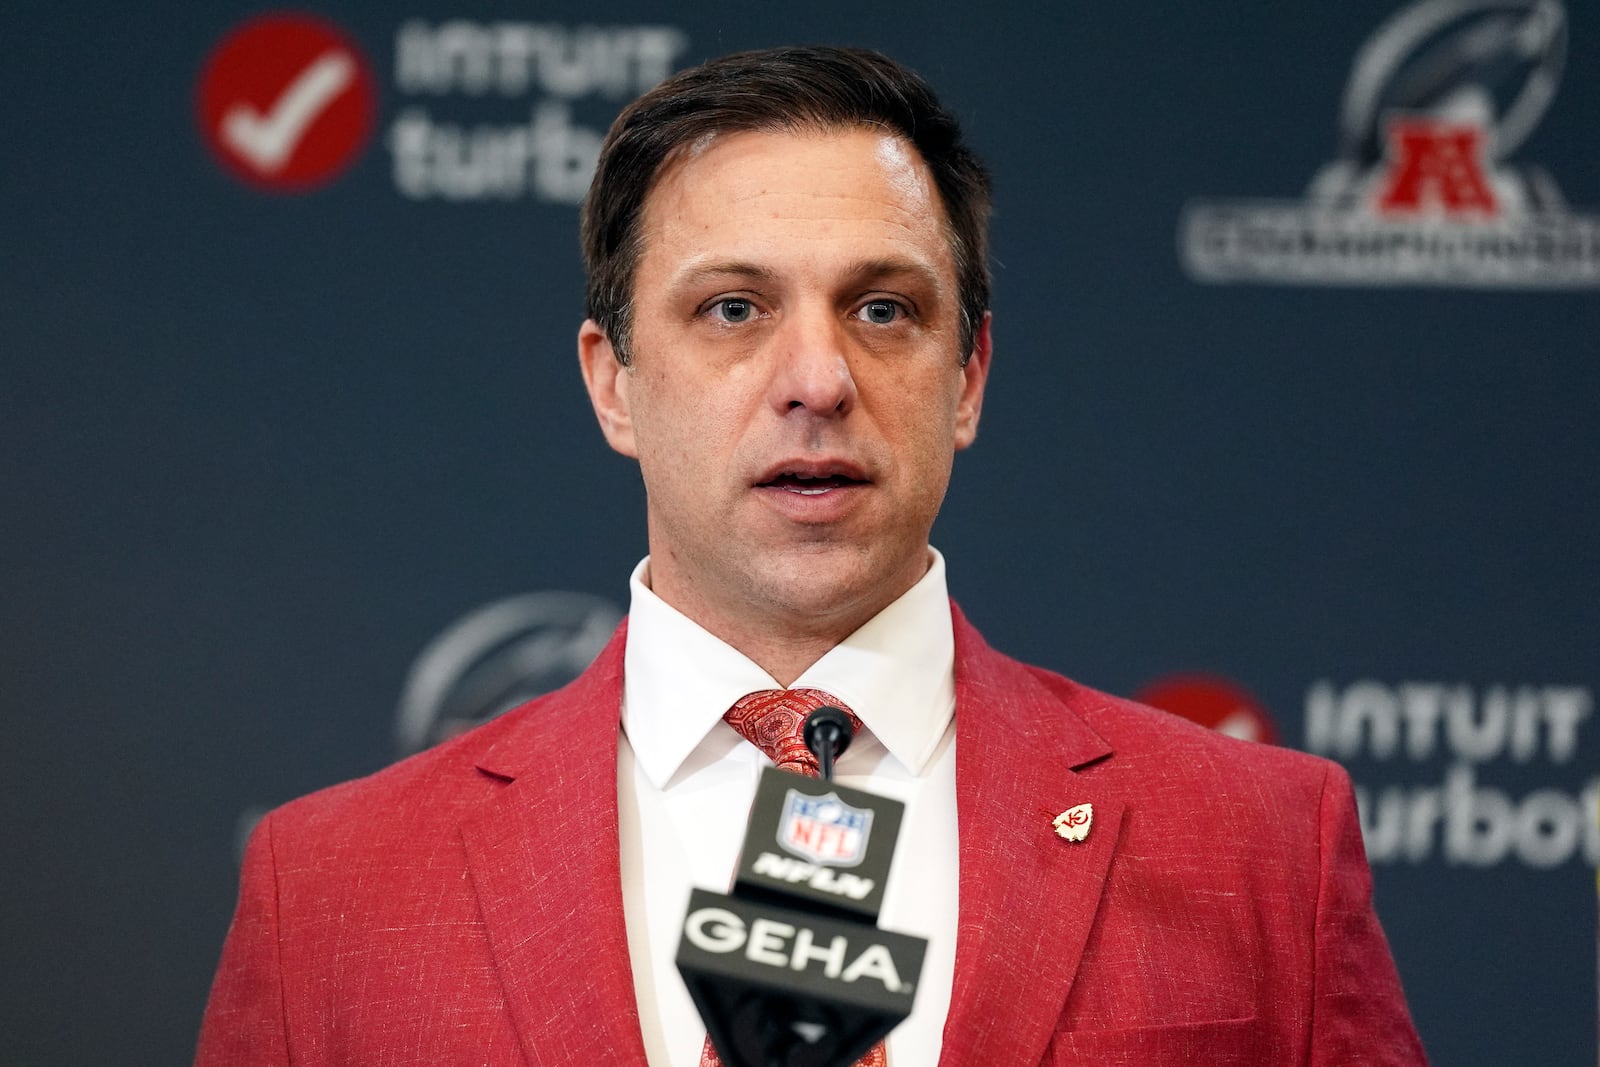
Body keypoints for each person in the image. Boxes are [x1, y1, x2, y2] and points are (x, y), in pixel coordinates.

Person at [197, 46, 1426, 1066]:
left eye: (882, 308)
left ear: (969, 378)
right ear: (612, 384)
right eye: (732, 307)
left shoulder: (1262, 843)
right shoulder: (331, 892)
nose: (818, 380)